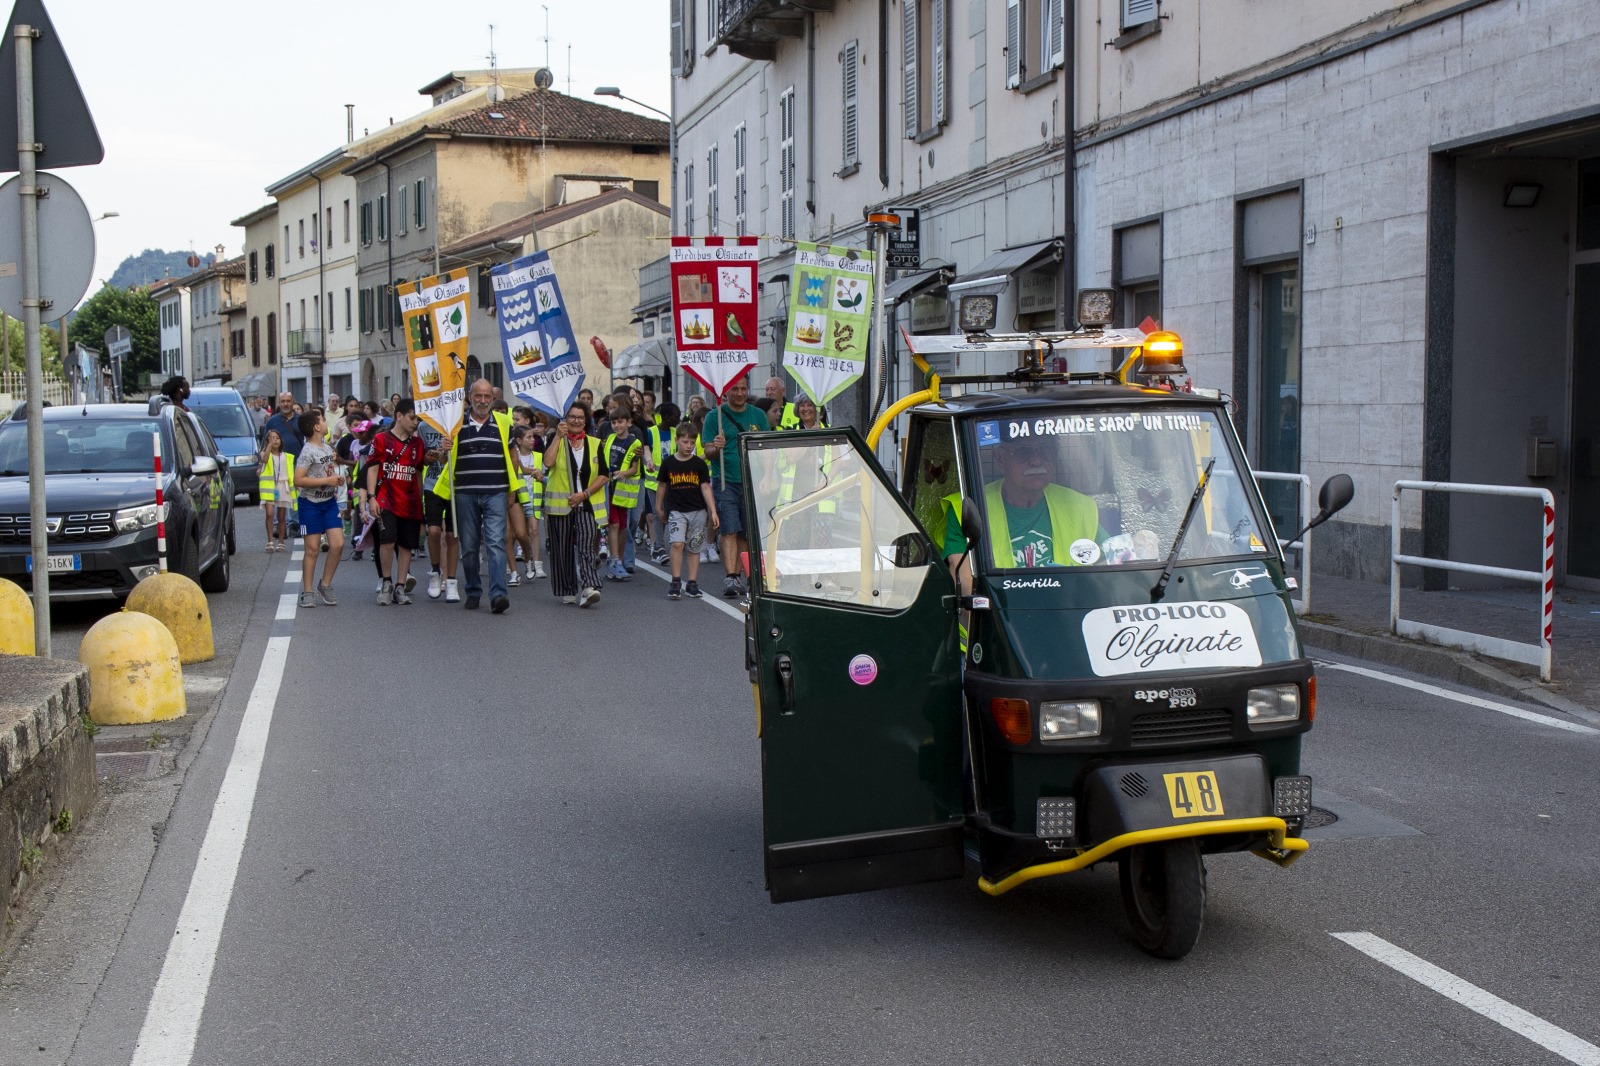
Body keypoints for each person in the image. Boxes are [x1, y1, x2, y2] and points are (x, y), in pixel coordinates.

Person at [940, 435, 1105, 582]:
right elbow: (967, 587)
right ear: (1000, 459)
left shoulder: (1079, 505)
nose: (1036, 461)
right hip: (1002, 614)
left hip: (1069, 611)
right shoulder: (967, 508)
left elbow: (1113, 561)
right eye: (1023, 452)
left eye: (1045, 450)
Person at [437, 379, 525, 614]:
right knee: (469, 546)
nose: (483, 401)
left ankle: (498, 595)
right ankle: (473, 590)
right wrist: (443, 450)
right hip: (465, 493)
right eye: (479, 396)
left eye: (487, 396)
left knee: (496, 542)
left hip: (495, 492)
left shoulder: (503, 422)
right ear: (470, 397)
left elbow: (512, 456)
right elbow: (442, 459)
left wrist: (512, 488)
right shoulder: (455, 424)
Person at [701, 377, 768, 598]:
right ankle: (731, 576)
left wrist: (766, 476)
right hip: (725, 480)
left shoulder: (758, 415)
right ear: (726, 392)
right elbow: (708, 452)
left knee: (746, 532)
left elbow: (766, 449)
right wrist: (716, 447)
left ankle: (744, 575)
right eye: (735, 389)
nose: (739, 393)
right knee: (729, 527)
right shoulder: (714, 417)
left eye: (743, 389)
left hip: (752, 478)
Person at [543, 400, 609, 608]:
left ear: (586, 421)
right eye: (572, 417)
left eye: (580, 417)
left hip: (586, 503)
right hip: (560, 503)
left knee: (587, 543)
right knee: (561, 548)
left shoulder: (595, 443)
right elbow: (548, 462)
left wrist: (585, 494)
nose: (576, 421)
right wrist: (558, 437)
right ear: (565, 419)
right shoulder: (555, 439)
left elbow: (604, 475)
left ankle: (589, 586)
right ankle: (567, 588)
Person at [366, 399, 429, 606]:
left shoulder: (417, 444)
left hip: (410, 502)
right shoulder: (381, 440)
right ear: (399, 416)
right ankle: (386, 581)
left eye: (417, 418)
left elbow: (418, 472)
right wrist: (371, 497)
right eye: (412, 417)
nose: (415, 422)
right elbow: (373, 468)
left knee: (406, 545)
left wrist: (420, 502)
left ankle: (400, 586)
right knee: (387, 541)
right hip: (386, 500)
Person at [657, 422, 718, 599]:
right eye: (685, 442)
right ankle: (675, 580)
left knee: (694, 547)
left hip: (698, 510)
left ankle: (692, 582)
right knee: (677, 543)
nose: (688, 446)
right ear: (676, 440)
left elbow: (706, 487)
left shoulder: (699, 464)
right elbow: (662, 486)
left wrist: (712, 511)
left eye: (692, 442)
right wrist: (658, 507)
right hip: (676, 510)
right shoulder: (668, 463)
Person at [293, 410, 345, 607]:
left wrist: (336, 479)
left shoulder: (326, 447)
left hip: (329, 502)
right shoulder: (307, 451)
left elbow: (328, 469)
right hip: (310, 505)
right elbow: (298, 480)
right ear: (316, 427)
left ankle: (325, 584)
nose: (325, 422)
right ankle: (307, 591)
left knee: (338, 543)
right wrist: (327, 480)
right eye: (323, 420)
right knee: (313, 548)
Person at [420, 421, 461, 603]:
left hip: (453, 486)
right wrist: (429, 457)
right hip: (432, 486)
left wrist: (446, 453)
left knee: (452, 535)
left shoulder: (457, 424)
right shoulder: (423, 427)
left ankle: (451, 580)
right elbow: (421, 457)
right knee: (434, 531)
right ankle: (435, 570)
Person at [602, 405, 644, 581]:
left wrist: (623, 473)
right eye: (614, 422)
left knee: (622, 527)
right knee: (613, 524)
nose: (617, 425)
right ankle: (615, 560)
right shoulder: (610, 438)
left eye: (620, 422)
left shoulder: (635, 443)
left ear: (628, 422)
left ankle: (617, 561)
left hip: (624, 490)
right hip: (609, 487)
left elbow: (635, 468)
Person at [511, 424, 546, 581]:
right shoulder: (514, 455)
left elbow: (543, 475)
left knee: (533, 530)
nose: (533, 440)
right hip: (518, 498)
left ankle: (537, 564)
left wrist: (540, 475)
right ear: (518, 440)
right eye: (529, 437)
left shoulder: (538, 456)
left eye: (533, 437)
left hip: (534, 498)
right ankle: (514, 563)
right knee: (517, 534)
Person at [258, 429, 294, 552]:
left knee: (282, 516)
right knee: (269, 513)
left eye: (277, 438)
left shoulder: (287, 456)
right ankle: (270, 541)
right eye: (271, 438)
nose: (275, 440)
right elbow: (265, 459)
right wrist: (268, 446)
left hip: (283, 485)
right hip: (269, 487)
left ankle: (281, 542)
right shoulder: (264, 453)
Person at [263, 392, 305, 458]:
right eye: (283, 401)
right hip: (278, 463)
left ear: (293, 402)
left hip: (298, 462)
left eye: (288, 401)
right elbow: (264, 445)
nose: (285, 404)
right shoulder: (271, 421)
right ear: (279, 403)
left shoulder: (301, 420)